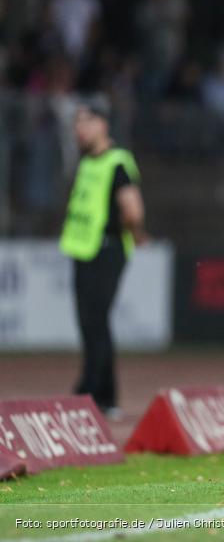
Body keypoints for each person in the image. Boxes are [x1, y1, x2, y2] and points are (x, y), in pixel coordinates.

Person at [59, 95, 145, 418]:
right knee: (93, 322)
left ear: (103, 124)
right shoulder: (87, 162)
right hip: (84, 248)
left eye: (85, 121)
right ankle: (106, 396)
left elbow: (133, 210)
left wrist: (132, 231)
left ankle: (89, 391)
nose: (79, 129)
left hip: (106, 250)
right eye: (76, 123)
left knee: (94, 322)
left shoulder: (117, 161)